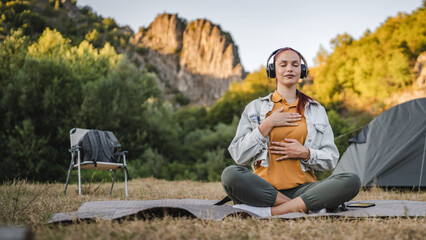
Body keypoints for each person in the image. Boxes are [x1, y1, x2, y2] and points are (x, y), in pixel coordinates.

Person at [221, 47, 361, 217]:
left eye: (295, 65)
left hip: (304, 190)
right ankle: (304, 207)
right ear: (273, 70)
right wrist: (267, 125)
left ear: (301, 71)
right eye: (283, 64)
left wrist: (305, 152)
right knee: (230, 174)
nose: (289, 69)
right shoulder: (255, 108)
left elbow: (331, 159)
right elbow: (238, 155)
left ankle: (270, 212)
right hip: (263, 190)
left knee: (351, 181)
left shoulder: (316, 110)